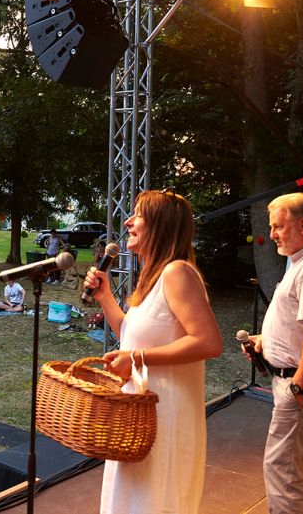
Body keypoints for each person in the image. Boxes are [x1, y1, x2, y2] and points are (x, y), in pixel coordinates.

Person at [83, 188, 222, 514]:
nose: (128, 222)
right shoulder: (154, 276)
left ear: (159, 225)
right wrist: (105, 298)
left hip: (166, 419)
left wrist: (137, 359)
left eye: (138, 215)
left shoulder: (177, 272)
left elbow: (208, 342)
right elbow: (132, 337)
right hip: (139, 418)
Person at [241, 192, 303, 514]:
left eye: (277, 226)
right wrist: (267, 340)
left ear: (302, 225)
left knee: (283, 473)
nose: (271, 234)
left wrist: (299, 385)